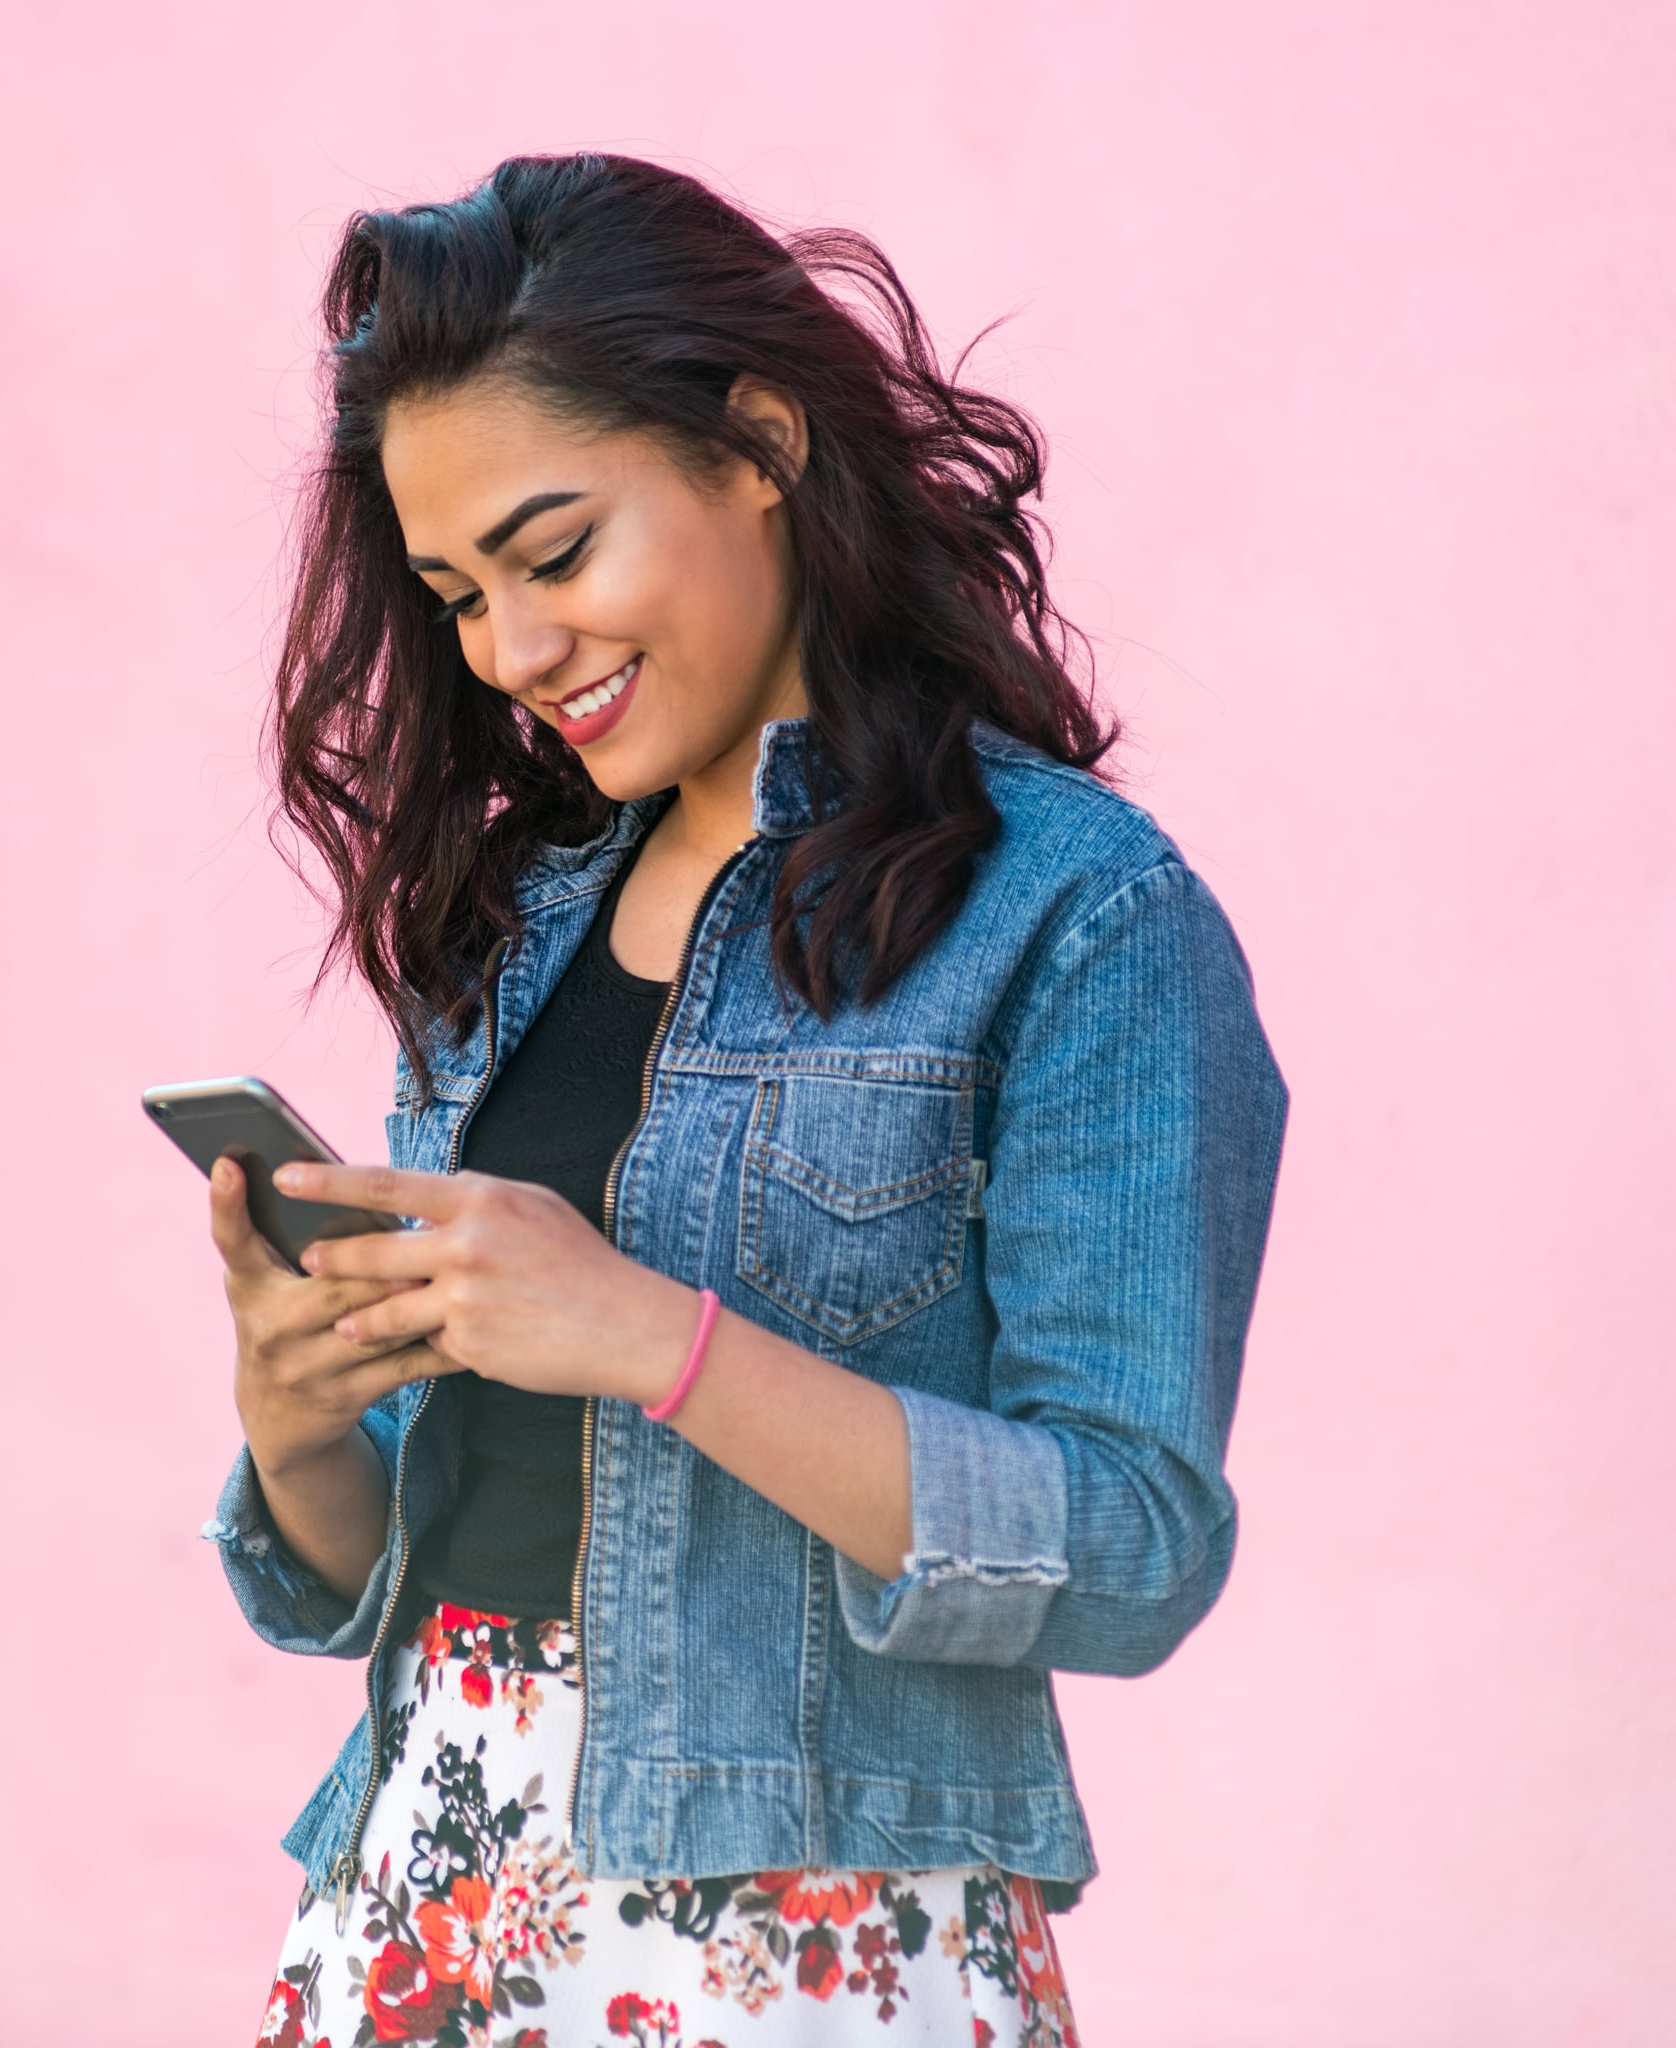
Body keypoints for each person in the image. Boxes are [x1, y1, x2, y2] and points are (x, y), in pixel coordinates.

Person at [197, 153, 1287, 2048]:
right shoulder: (511, 920)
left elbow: (1126, 1550)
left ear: (758, 445)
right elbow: (433, 1542)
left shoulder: (1079, 918)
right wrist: (298, 1424)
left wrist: (648, 1336)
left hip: (803, 1947)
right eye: (457, 594)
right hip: (422, 1903)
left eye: (555, 554)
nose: (514, 652)